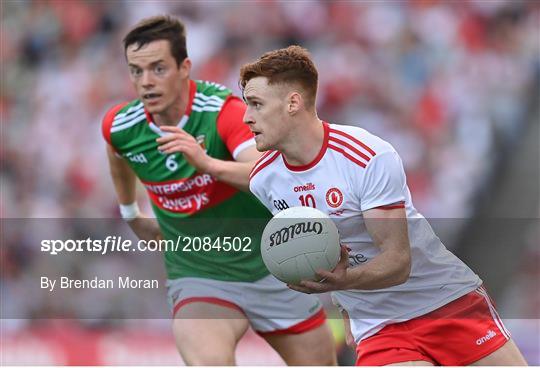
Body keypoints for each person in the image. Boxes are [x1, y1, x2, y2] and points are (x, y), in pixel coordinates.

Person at [241, 45, 528, 366]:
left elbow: (397, 262)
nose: (246, 117)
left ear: (293, 103)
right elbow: (321, 247)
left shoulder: (366, 156)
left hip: (444, 301)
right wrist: (345, 303)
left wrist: (343, 283)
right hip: (379, 326)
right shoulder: (263, 181)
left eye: (255, 104)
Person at [101, 17, 336, 365]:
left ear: (185, 68)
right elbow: (116, 152)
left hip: (274, 268)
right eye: (136, 71)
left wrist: (208, 164)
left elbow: (266, 174)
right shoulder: (122, 126)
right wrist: (130, 213)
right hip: (200, 277)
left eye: (158, 68)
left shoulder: (223, 112)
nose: (146, 82)